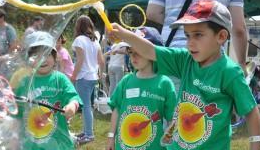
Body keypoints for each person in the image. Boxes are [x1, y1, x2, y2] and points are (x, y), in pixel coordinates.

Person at [110, 0, 260, 150]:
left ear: (221, 37)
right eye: (187, 36)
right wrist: (124, 34)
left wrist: (255, 144)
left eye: (198, 35)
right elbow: (151, 51)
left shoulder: (229, 72)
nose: (190, 43)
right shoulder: (185, 60)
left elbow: (250, 110)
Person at [147, 0, 248, 74]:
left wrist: (175, 24)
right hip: (211, 60)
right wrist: (241, 63)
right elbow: (238, 29)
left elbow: (152, 13)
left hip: (171, 56)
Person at [106, 27, 176, 150]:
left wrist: (171, 142)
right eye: (131, 51)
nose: (134, 56)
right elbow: (116, 109)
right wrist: (111, 136)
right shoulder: (125, 81)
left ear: (154, 51)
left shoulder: (165, 84)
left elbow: (172, 119)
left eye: (139, 51)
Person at [15, 31, 82, 149]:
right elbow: (17, 112)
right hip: (31, 144)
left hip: (57, 143)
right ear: (29, 60)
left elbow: (73, 97)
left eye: (47, 55)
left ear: (55, 57)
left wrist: (72, 106)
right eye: (36, 56)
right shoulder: (25, 82)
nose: (43, 60)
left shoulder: (59, 79)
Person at [71, 15, 105, 144]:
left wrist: (73, 76)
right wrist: (101, 74)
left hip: (83, 77)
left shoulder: (79, 40)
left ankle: (89, 135)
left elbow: (80, 61)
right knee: (88, 106)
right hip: (93, 77)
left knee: (86, 107)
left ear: (78, 26)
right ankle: (86, 132)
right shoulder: (95, 41)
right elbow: (101, 61)